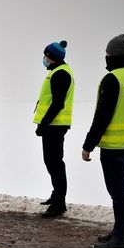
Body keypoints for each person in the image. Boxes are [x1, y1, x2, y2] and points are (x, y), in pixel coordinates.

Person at [82, 34, 124, 248]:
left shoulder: (113, 79)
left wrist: (88, 145)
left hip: (114, 147)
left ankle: (121, 237)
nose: (106, 57)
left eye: (107, 54)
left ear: (113, 55)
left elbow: (102, 116)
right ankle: (118, 231)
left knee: (118, 192)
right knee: (120, 191)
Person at [33, 40, 74, 218]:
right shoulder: (58, 72)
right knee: (52, 162)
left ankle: (59, 203)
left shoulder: (61, 74)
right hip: (53, 125)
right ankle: (57, 196)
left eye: (45, 55)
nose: (44, 58)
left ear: (52, 57)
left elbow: (57, 103)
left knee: (55, 163)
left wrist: (44, 123)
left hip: (54, 126)